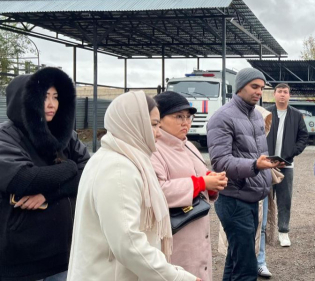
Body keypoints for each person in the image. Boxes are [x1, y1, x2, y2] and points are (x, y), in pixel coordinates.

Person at [67, 91, 199, 281]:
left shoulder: (120, 159)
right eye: (153, 125)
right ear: (132, 124)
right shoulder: (118, 168)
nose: (159, 133)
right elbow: (129, 244)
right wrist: (178, 277)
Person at [0, 67, 90, 281]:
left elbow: (89, 173)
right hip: (22, 261)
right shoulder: (6, 137)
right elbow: (24, 179)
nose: (51, 104)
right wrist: (69, 167)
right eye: (43, 97)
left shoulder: (65, 135)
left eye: (56, 97)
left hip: (65, 254)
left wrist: (48, 194)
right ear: (24, 100)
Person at [207, 68, 284, 281]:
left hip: (251, 198)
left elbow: (256, 154)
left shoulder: (256, 115)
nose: (259, 92)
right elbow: (220, 162)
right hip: (234, 200)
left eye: (261, 87)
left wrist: (268, 165)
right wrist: (255, 166)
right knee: (246, 268)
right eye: (254, 86)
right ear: (240, 86)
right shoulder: (222, 118)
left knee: (236, 260)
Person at [151, 91, 228, 280]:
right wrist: (202, 183)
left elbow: (197, 176)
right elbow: (157, 190)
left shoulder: (188, 145)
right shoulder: (153, 149)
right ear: (158, 119)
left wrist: (212, 182)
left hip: (196, 228)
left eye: (188, 116)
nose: (186, 122)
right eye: (178, 116)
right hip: (174, 233)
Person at [257, 83, 309, 277]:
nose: (282, 95)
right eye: (279, 92)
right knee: (264, 198)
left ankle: (283, 231)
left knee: (285, 199)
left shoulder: (296, 115)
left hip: (286, 164)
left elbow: (303, 136)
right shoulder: (266, 112)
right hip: (266, 164)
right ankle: (264, 232)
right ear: (274, 94)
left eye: (285, 92)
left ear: (289, 95)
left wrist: (292, 153)